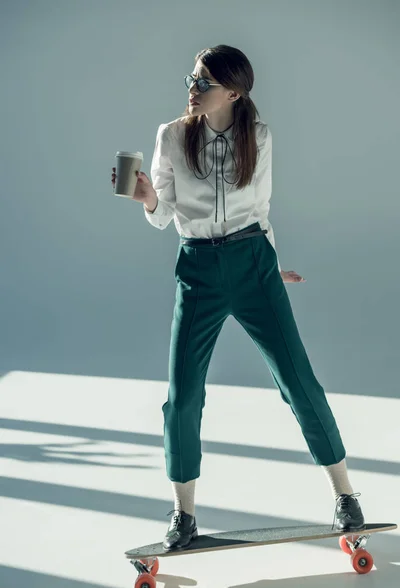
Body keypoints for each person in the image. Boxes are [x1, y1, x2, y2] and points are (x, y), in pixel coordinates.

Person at [111, 44, 365, 552]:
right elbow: (163, 215)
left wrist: (270, 264)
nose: (192, 86)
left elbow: (259, 207)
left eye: (204, 81)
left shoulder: (261, 137)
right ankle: (183, 513)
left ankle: (346, 495)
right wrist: (146, 198)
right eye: (192, 77)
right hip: (198, 269)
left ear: (233, 91)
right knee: (183, 395)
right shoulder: (171, 135)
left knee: (298, 380)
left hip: (253, 265)